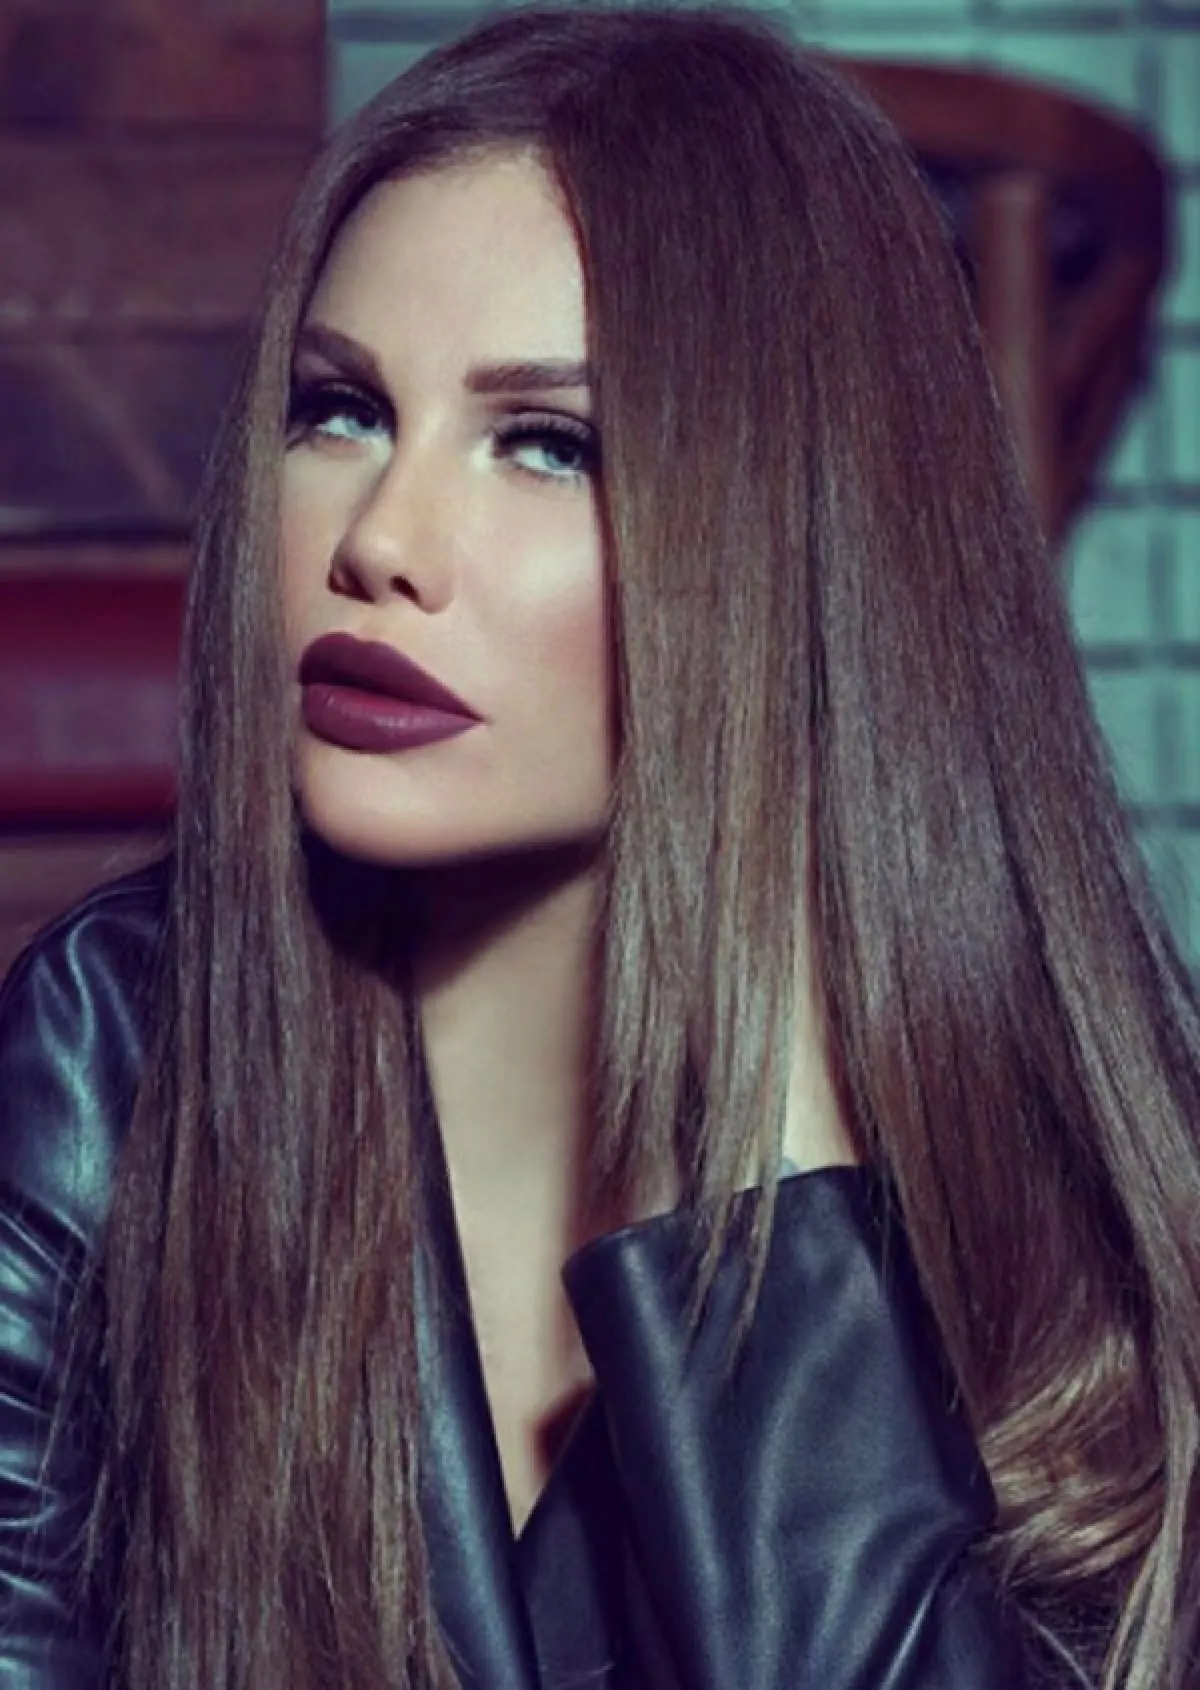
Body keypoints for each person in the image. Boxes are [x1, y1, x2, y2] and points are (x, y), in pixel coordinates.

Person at [1, 5, 1198, 1686]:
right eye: (341, 411)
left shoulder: (1088, 1230)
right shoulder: (111, 1062)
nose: (381, 539)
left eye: (548, 443)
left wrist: (776, 1124)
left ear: (794, 553)